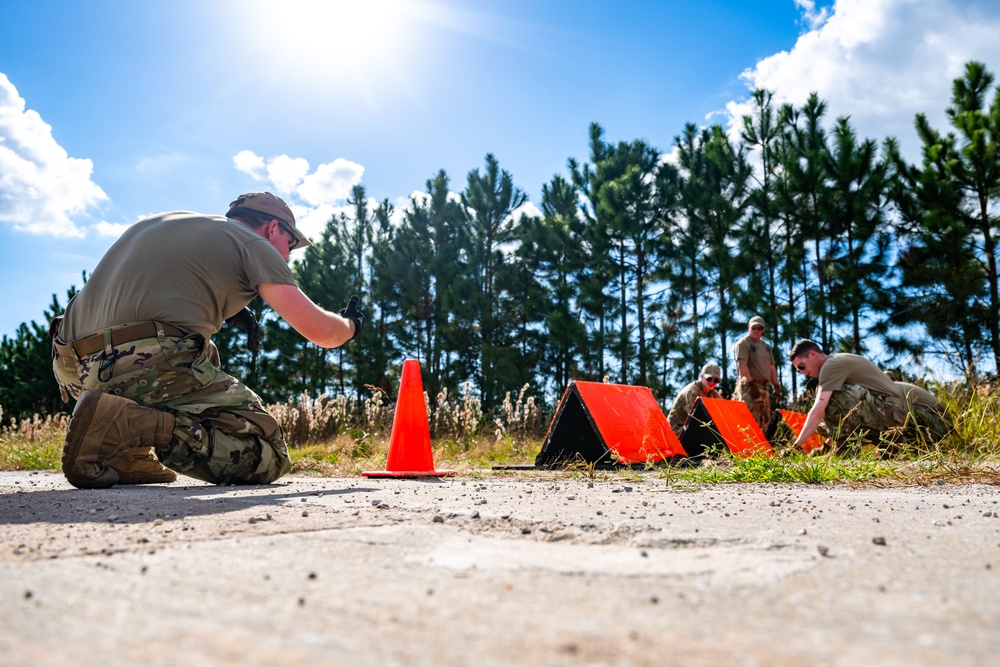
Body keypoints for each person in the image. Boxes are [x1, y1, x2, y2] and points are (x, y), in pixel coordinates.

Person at [51, 192, 364, 489]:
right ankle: (135, 425)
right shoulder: (255, 243)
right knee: (269, 454)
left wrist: (223, 307)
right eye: (290, 244)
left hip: (71, 368)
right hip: (137, 359)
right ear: (272, 228)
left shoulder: (165, 221)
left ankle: (124, 454)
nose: (287, 255)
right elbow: (323, 333)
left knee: (206, 351)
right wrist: (350, 325)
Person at [787, 339, 952, 451]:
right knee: (824, 422)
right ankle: (893, 447)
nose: (802, 372)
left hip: (930, 421)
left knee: (830, 400)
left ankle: (846, 451)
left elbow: (819, 411)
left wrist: (796, 447)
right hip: (920, 423)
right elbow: (841, 420)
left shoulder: (830, 366)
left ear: (813, 355)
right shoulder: (839, 363)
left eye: (801, 366)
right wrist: (826, 448)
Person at [731, 316, 781, 429]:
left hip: (764, 387)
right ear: (749, 328)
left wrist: (776, 386)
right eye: (754, 328)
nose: (757, 330)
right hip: (749, 386)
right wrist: (751, 384)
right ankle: (747, 446)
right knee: (750, 419)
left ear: (763, 330)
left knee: (765, 420)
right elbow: (742, 365)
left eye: (760, 328)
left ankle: (761, 446)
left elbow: (771, 368)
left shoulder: (766, 347)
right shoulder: (744, 343)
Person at [667, 363, 723, 436]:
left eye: (716, 380)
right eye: (709, 379)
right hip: (674, 430)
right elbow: (695, 419)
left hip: (689, 428)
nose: (712, 382)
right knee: (703, 431)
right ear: (701, 377)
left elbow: (723, 412)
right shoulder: (691, 392)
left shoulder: (713, 393)